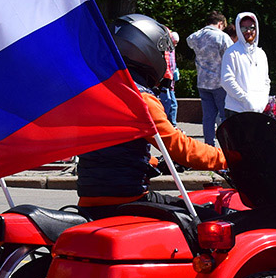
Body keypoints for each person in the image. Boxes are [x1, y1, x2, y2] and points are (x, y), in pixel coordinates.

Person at [78, 14, 225, 207]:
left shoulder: (97, 93)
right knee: (213, 220)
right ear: (144, 50)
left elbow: (113, 146)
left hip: (89, 202)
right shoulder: (141, 99)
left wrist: (151, 161)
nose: (164, 58)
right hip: (127, 199)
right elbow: (180, 147)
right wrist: (227, 158)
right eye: (162, 52)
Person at [186, 11, 233, 146]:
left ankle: (208, 146)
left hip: (202, 81)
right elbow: (230, 56)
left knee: (208, 117)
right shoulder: (222, 37)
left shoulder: (195, 36)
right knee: (224, 116)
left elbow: (188, 41)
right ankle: (227, 146)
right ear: (220, 24)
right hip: (220, 83)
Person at [220, 12, 271, 117]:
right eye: (244, 28)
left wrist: (263, 100)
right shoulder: (232, 52)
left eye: (252, 28)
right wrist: (245, 99)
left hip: (258, 110)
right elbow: (226, 80)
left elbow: (266, 80)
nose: (248, 31)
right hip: (236, 110)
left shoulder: (261, 54)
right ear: (238, 30)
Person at [158, 29, 180, 125]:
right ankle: (167, 124)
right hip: (166, 79)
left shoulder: (170, 49)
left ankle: (171, 124)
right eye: (175, 43)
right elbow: (166, 64)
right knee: (167, 102)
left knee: (172, 103)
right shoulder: (165, 48)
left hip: (169, 80)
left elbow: (172, 64)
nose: (175, 45)